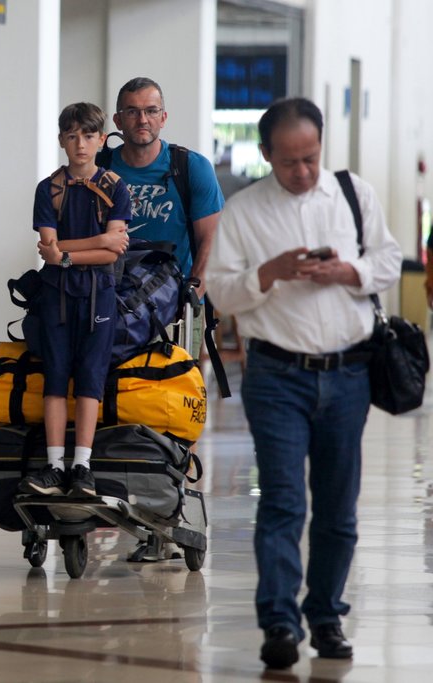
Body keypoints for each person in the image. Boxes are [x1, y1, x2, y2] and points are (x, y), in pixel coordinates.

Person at [206, 97, 402, 669]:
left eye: (311, 158)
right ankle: (279, 624)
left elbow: (389, 260)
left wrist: (350, 271)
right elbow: (220, 293)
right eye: (289, 161)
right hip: (276, 376)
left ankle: (326, 616)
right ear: (266, 154)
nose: (302, 172)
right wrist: (270, 273)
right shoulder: (243, 211)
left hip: (348, 373)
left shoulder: (351, 193)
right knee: (284, 503)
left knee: (338, 508)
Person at [107, 76, 225, 563]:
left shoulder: (188, 168)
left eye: (151, 110)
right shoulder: (102, 166)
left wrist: (194, 289)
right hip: (112, 299)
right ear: (117, 121)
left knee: (171, 401)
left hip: (169, 304)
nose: (142, 119)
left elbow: (207, 240)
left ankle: (167, 504)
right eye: (133, 111)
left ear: (164, 116)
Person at [17, 103, 131, 498]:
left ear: (102, 140)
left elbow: (113, 253)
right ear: (62, 140)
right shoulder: (48, 188)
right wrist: (97, 241)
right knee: (55, 376)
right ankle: (53, 466)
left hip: (99, 295)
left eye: (88, 135)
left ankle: (81, 466)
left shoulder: (116, 187)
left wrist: (67, 253)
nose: (80, 144)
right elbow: (48, 250)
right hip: (56, 295)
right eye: (72, 136)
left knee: (90, 378)